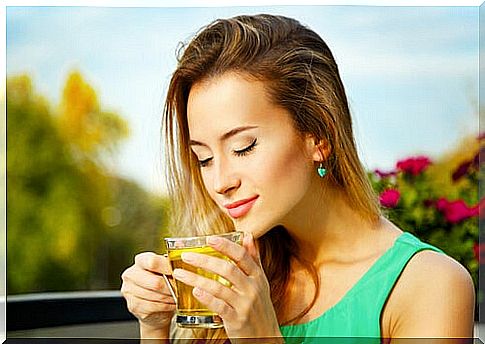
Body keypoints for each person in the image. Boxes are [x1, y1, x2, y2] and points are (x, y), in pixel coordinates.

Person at [121, 14, 475, 342]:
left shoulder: (429, 286)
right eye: (205, 158)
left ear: (319, 135)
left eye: (244, 147)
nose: (220, 182)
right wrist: (154, 329)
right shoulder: (240, 275)